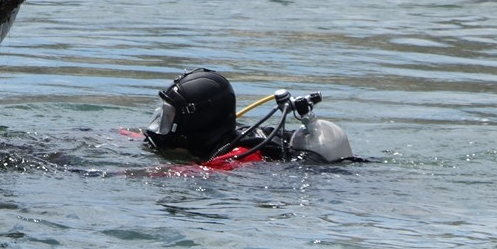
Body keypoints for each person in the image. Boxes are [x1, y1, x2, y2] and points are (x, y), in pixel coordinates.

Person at [131, 68, 357, 169]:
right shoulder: (221, 131)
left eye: (170, 116)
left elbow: (185, 174)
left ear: (196, 123)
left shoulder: (237, 157)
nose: (163, 125)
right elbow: (135, 136)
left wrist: (114, 174)